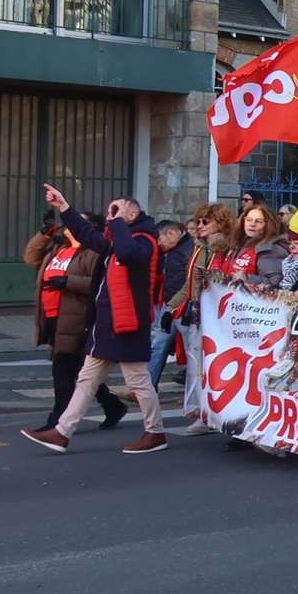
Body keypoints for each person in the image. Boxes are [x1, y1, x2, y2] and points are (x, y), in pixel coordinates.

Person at [21, 191, 168, 455]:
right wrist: (64, 207)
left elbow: (128, 255)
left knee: (138, 380)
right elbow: (87, 234)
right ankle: (62, 432)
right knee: (86, 379)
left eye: (118, 210)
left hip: (128, 322)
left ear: (133, 214)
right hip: (106, 323)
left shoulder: (144, 241)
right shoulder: (118, 238)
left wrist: (118, 223)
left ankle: (155, 432)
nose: (112, 215)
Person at [21, 221, 124, 432]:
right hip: (52, 317)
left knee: (62, 369)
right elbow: (31, 257)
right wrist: (43, 234)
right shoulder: (58, 247)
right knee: (79, 369)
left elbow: (100, 284)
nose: (68, 225)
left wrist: (69, 281)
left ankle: (58, 420)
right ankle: (112, 405)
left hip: (75, 318)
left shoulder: (92, 253)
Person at [165, 202, 233, 435]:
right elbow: (190, 283)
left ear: (220, 223)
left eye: (206, 221)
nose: (200, 225)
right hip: (196, 312)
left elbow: (224, 280)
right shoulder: (200, 247)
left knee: (207, 366)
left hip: (214, 315)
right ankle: (202, 411)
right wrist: (171, 306)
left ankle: (208, 413)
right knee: (197, 364)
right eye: (199, 221)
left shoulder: (222, 248)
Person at [148, 219, 195, 388]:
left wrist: (175, 304)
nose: (159, 244)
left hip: (182, 306)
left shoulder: (188, 250)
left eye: (160, 239)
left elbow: (189, 282)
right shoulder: (179, 250)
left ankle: (193, 394)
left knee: (192, 350)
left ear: (171, 234)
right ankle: (146, 387)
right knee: (157, 345)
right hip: (171, 304)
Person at [218, 202, 286, 285]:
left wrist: (248, 278)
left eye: (259, 221)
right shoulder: (238, 243)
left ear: (268, 225)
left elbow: (275, 282)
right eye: (249, 220)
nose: (252, 224)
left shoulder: (271, 249)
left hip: (249, 297)